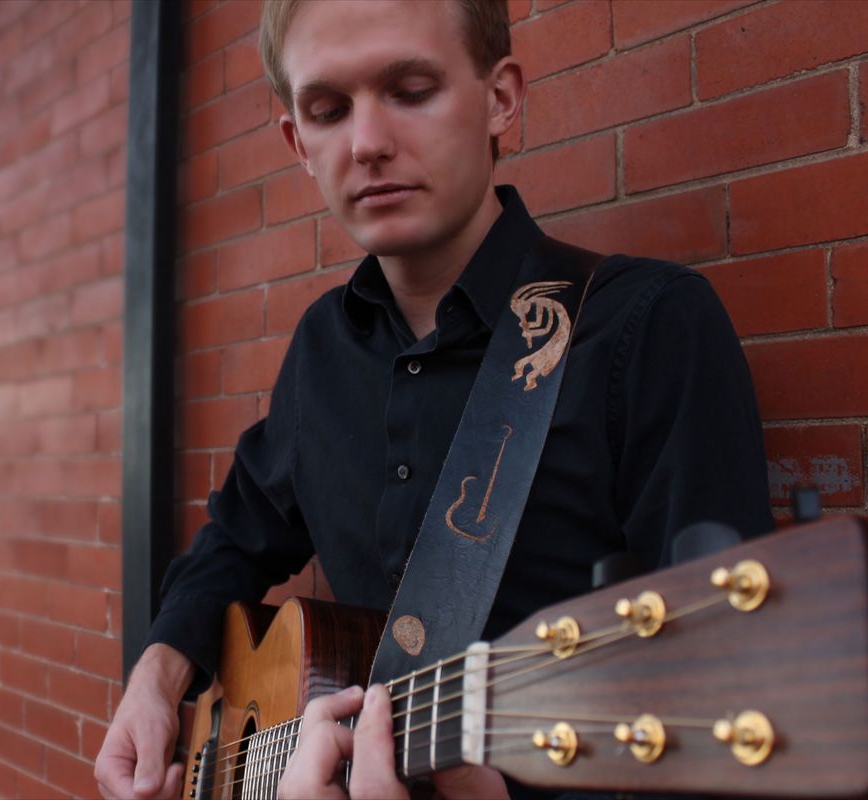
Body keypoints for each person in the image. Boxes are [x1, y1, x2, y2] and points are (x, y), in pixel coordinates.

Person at [94, 1, 774, 799]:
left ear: (502, 100)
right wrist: (158, 671)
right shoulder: (322, 348)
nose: (368, 142)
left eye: (411, 89)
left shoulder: (647, 330)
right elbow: (236, 536)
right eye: (327, 109)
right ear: (297, 144)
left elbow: (731, 707)